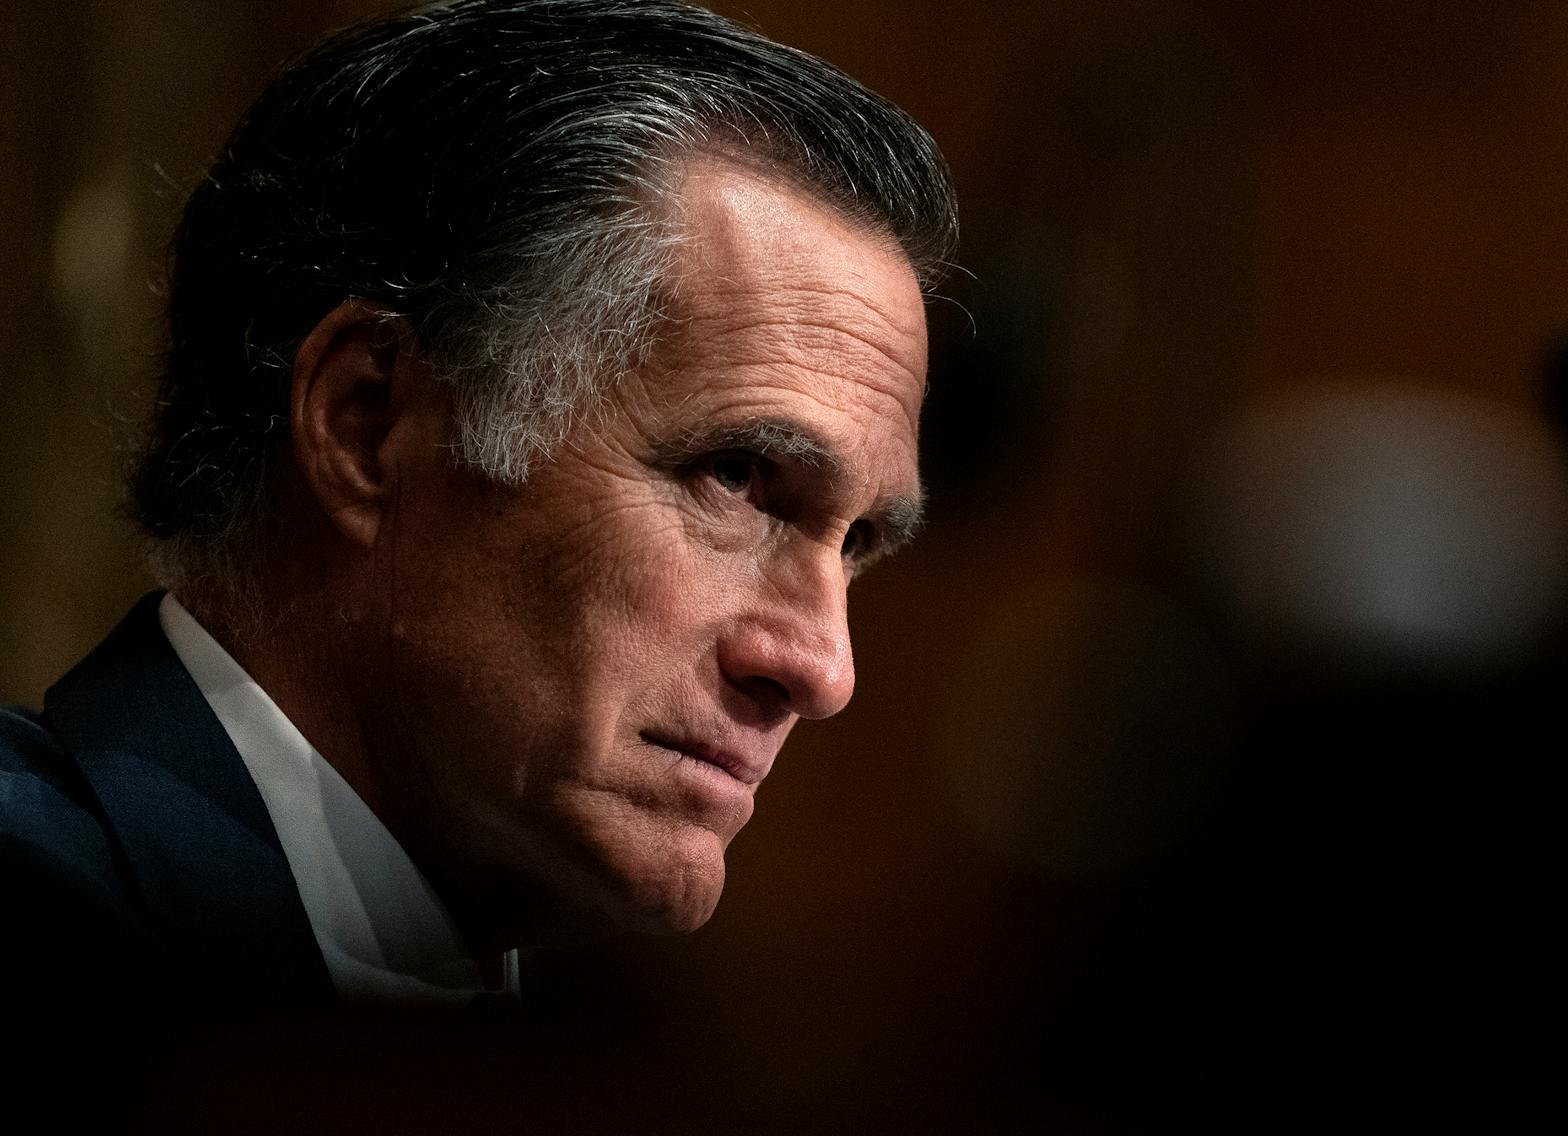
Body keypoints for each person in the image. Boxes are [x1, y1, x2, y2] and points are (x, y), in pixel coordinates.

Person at [0, 0, 956, 1012]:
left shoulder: (582, 1095)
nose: (821, 670)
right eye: (737, 477)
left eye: (856, 543)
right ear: (368, 427)